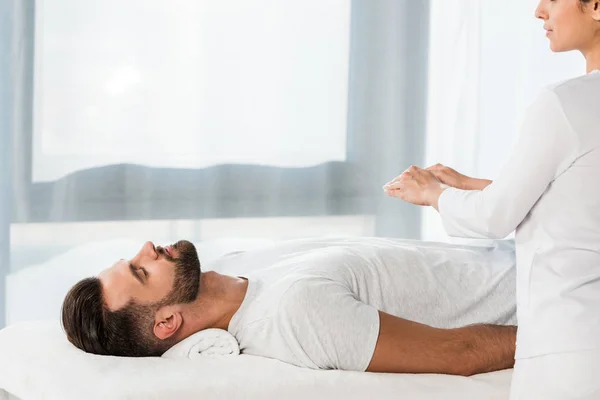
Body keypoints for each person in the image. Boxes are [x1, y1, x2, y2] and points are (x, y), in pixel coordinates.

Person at [383, 0, 600, 398]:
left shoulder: (565, 103)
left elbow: (494, 218)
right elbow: (578, 202)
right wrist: (473, 185)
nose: (539, 10)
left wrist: (433, 193)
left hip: (570, 353)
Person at [62, 237, 517, 376]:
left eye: (132, 260)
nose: (147, 248)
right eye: (142, 272)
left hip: (539, 245)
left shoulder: (242, 267)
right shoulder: (292, 315)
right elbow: (459, 353)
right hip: (567, 287)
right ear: (167, 322)